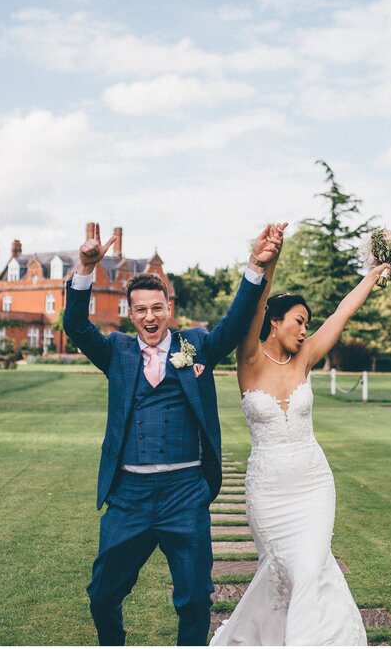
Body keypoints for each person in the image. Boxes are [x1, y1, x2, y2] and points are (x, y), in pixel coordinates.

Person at [64, 222, 284, 646]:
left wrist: (256, 266)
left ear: (169, 308)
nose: (150, 317)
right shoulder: (117, 352)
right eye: (141, 309)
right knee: (102, 595)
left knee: (196, 600)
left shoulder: (196, 345)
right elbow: (75, 324)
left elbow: (237, 321)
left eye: (157, 308)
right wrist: (85, 269)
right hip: (129, 496)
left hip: (185, 493)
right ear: (131, 313)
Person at [210, 241, 391, 646]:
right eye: (298, 321)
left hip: (312, 485)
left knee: (310, 570)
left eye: (308, 322)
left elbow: (343, 312)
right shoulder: (249, 360)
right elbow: (254, 305)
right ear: (274, 322)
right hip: (269, 493)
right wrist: (268, 262)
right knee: (283, 578)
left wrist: (374, 275)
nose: (305, 329)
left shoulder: (305, 358)